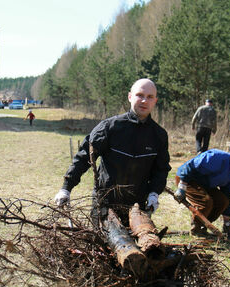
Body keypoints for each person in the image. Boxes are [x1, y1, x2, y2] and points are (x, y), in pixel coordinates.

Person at [54, 78, 171, 224]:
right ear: (130, 97)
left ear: (155, 101)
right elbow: (84, 157)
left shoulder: (159, 135)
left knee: (135, 246)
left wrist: (154, 193)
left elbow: (161, 169)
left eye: (150, 97)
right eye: (139, 95)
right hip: (105, 204)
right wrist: (66, 188)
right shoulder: (110, 127)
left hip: (137, 208)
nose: (144, 101)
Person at [174, 149, 230, 235]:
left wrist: (226, 223)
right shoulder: (217, 158)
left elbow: (227, 194)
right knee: (206, 202)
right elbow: (190, 166)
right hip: (187, 178)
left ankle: (204, 225)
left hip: (205, 184)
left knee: (223, 201)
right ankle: (196, 229)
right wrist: (182, 187)